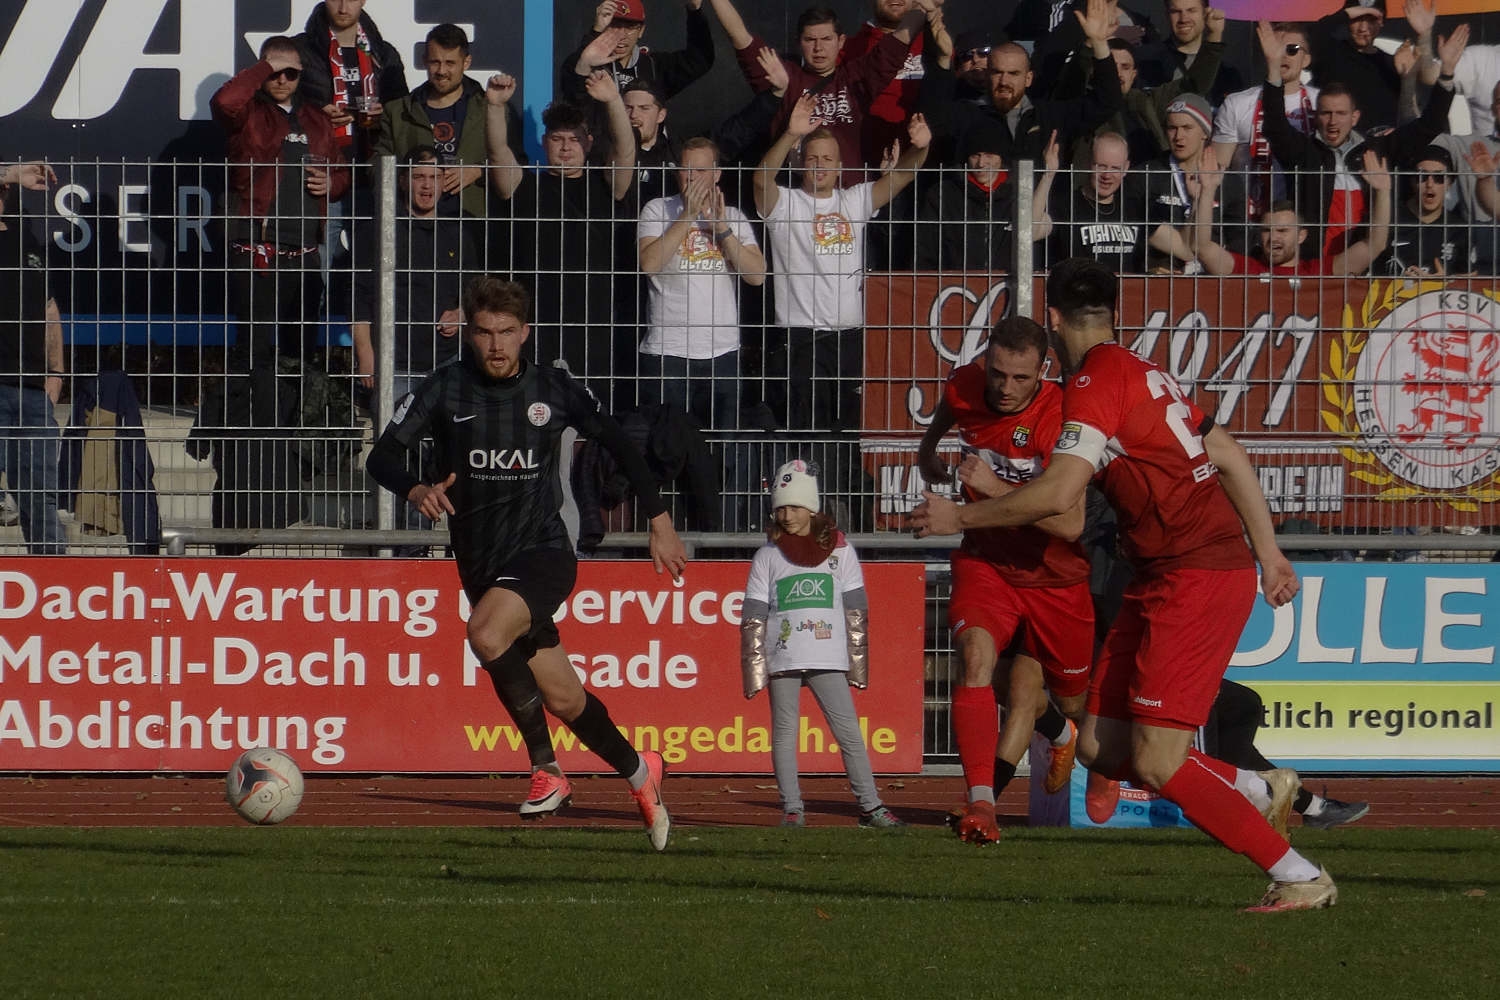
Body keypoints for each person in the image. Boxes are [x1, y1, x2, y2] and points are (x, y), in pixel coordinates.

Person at [911, 257, 1337, 912]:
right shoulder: (1141, 370)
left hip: (1197, 573)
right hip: (1161, 571)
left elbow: (1060, 496)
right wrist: (1271, 552)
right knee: (1099, 746)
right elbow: (1227, 452)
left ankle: (1298, 874)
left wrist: (960, 516)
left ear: (1053, 319)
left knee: (1160, 760)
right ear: (1113, 314)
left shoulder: (1094, 383)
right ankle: (1258, 787)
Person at [365, 276, 688, 850]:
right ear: (469, 333)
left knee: (486, 634)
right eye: (485, 333)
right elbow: (382, 457)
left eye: (507, 333)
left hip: (543, 552)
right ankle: (642, 772)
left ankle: (547, 769)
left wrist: (659, 520)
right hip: (482, 567)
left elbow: (619, 442)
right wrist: (416, 489)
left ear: (526, 333)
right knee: (565, 700)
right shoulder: (444, 388)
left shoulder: (552, 389)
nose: (496, 346)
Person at [915, 320, 1093, 845]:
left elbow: (1070, 524)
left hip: (1054, 577)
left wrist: (993, 489)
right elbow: (953, 404)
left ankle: (1068, 734)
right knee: (975, 661)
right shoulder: (968, 383)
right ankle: (981, 804)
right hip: (988, 562)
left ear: (1044, 370)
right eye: (997, 373)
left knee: (1071, 704)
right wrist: (928, 449)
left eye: (1020, 377)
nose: (1005, 387)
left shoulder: (1061, 419)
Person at [203, 36, 350, 554]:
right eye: (275, 72)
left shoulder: (316, 119)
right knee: (254, 363)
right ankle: (251, 466)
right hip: (256, 254)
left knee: (299, 364)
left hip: (303, 258)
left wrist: (331, 182)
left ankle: (289, 472)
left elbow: (341, 175)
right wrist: (264, 65)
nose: (283, 81)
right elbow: (225, 101)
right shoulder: (250, 114)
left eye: (291, 73)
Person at [740, 459, 904, 829]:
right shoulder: (767, 555)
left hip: (827, 657)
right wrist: (754, 669)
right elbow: (753, 615)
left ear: (812, 508)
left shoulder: (841, 551)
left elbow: (856, 609)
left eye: (795, 507)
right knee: (785, 734)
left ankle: (871, 807)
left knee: (849, 734)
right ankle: (792, 809)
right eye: (781, 508)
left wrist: (857, 665)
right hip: (783, 658)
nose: (787, 516)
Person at [753, 94, 929, 433]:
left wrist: (921, 148)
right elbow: (761, 180)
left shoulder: (855, 199)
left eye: (827, 159)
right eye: (812, 158)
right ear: (801, 163)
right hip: (800, 339)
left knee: (848, 432)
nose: (819, 165)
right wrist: (791, 134)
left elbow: (902, 177)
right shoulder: (785, 204)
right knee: (803, 432)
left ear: (839, 167)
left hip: (850, 337)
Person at [487, 73, 638, 403]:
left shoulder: (605, 186)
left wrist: (613, 100)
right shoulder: (524, 186)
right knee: (532, 412)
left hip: (593, 325)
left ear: (589, 143)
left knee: (592, 415)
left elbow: (626, 150)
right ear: (544, 142)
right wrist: (495, 107)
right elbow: (498, 152)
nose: (566, 147)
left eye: (574, 139)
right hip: (536, 322)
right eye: (557, 139)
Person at [1258, 17, 1462, 259]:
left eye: (1341, 114)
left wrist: (1446, 73)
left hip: (1368, 263)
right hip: (1316, 265)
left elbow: (1430, 124)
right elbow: (1274, 125)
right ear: (1316, 116)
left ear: (1355, 117)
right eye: (1326, 113)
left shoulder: (1378, 150)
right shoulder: (1303, 153)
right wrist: (1273, 68)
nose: (1333, 121)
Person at [712, 0, 933, 179]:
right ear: (799, 43)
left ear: (841, 41)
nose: (818, 48)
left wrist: (927, 7)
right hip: (796, 199)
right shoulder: (784, 76)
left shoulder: (856, 77)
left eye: (826, 39)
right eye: (810, 40)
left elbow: (901, 38)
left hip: (848, 199)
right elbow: (739, 36)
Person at [637, 136, 766, 429]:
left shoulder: (733, 216)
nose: (692, 177)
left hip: (721, 352)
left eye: (700, 170)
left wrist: (722, 229)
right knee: (667, 444)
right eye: (685, 169)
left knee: (722, 446)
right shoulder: (657, 210)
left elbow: (756, 275)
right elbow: (649, 263)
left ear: (716, 174)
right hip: (667, 352)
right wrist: (688, 215)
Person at [919, 0, 1123, 167]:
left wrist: (1099, 44)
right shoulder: (968, 115)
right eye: (997, 72)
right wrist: (943, 60)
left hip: (1038, 204)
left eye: (1013, 74)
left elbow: (1106, 102)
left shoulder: (1049, 117)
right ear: (988, 75)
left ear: (1028, 78)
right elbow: (932, 117)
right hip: (975, 205)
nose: (1004, 81)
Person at [376, 24, 516, 219]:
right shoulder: (397, 111)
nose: (441, 71)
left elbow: (518, 167)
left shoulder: (491, 109)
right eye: (435, 62)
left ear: (466, 62)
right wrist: (410, 179)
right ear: (424, 61)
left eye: (450, 63)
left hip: (473, 222)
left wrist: (479, 172)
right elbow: (379, 168)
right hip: (413, 224)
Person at [1191, 146, 1391, 276]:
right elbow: (1201, 247)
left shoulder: (1317, 273)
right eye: (1267, 230)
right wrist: (1207, 191)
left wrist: (1382, 192)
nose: (1274, 237)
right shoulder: (1245, 269)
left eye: (1283, 231)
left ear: (1301, 235)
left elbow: (1375, 245)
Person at [1202, 680, 1371, 830]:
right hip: (1189, 686)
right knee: (1204, 703)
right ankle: (1215, 802)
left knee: (1244, 704)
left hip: (1196, 678)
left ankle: (1311, 807)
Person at [0, 175, 66, 553]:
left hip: (32, 391)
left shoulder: (26, 241)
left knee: (41, 496)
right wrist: (13, 172)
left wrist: (56, 374)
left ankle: (52, 575)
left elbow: (48, 308)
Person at [562, 0, 715, 162]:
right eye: (614, 26)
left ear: (641, 31)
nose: (622, 36)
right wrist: (595, 34)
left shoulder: (653, 66)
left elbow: (700, 60)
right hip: (603, 161)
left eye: (630, 28)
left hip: (650, 159)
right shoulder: (586, 64)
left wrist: (694, 11)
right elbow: (572, 92)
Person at [1210, 22, 1319, 223]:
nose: (1281, 55)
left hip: (1305, 221)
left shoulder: (1321, 103)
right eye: (1274, 47)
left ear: (1306, 59)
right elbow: (1217, 169)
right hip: (1248, 221)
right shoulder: (1237, 103)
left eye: (1292, 49)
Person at [1042, 131, 1193, 274]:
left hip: (1127, 291)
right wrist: (1048, 175)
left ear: (1126, 168)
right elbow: (1033, 230)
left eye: (1115, 168)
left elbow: (1185, 249)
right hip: (1081, 290)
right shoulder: (1065, 204)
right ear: (1088, 163)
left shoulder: (1135, 208)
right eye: (1101, 166)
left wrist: (1199, 197)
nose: (1107, 175)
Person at [916, 123, 1059, 274]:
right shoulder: (943, 195)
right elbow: (924, 249)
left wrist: (1048, 175)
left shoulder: (1022, 192)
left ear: (1001, 157)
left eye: (989, 155)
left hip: (1009, 284)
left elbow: (1031, 232)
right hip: (953, 284)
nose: (981, 163)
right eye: (975, 155)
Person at [293, 0, 408, 162]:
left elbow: (403, 108)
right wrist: (315, 114)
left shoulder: (384, 53)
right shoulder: (298, 50)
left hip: (373, 160)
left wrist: (383, 116)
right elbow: (276, 102)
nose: (343, 9)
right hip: (317, 159)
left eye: (351, 0)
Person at [1375, 145, 1474, 276]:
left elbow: (1471, 278)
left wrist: (1445, 282)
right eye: (1422, 176)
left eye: (1439, 178)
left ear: (1449, 183)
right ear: (1412, 181)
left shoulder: (1459, 229)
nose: (1430, 184)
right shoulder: (1386, 219)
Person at [1134, 0, 1243, 105]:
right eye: (1176, 11)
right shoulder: (1143, 62)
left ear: (1205, 14)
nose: (1184, 19)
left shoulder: (1227, 73)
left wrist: (1214, 35)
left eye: (1191, 10)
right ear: (1167, 15)